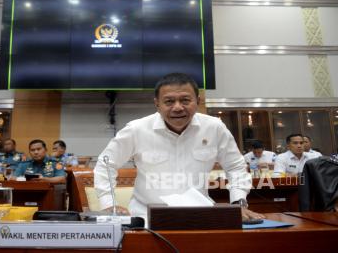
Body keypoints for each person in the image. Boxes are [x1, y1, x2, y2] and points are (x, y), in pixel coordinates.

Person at [94, 73, 263, 223]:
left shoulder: (214, 128)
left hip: (201, 215)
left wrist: (238, 203)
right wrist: (110, 204)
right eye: (169, 101)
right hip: (146, 218)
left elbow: (235, 166)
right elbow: (106, 164)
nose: (177, 107)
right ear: (157, 104)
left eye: (185, 100)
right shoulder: (136, 129)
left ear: (197, 101)